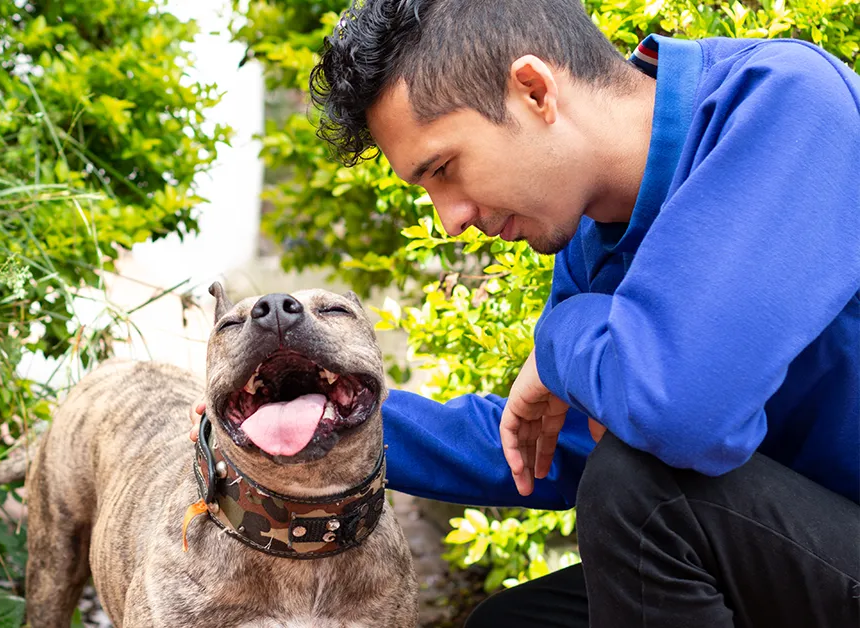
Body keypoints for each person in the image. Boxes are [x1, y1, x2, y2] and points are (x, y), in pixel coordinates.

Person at [191, 0, 860, 625]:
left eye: (444, 169)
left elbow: (680, 409)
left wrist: (560, 340)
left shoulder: (786, 102)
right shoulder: (593, 238)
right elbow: (550, 443)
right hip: (790, 554)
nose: (449, 221)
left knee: (645, 493)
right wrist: (306, 415)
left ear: (536, 91)